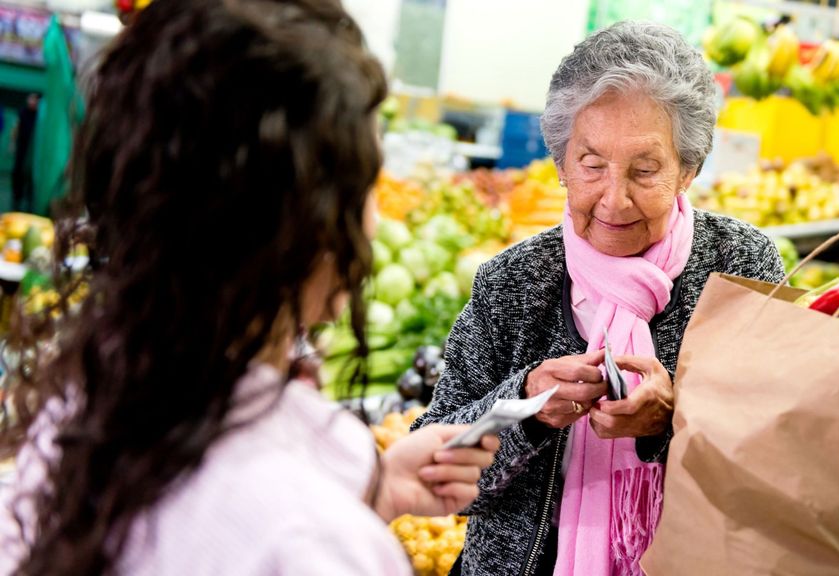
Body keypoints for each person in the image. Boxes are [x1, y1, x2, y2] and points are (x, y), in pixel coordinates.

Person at [0, 1, 497, 575]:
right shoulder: (313, 543)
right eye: (365, 187)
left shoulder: (84, 407)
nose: (376, 222)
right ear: (295, 222)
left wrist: (379, 491)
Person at [413, 21, 785, 576]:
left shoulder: (740, 267)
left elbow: (779, 456)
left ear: (689, 169)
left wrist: (673, 421)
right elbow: (436, 467)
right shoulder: (513, 282)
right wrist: (525, 406)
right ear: (561, 165)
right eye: (591, 166)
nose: (614, 199)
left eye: (645, 169)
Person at [11, 93, 38, 213]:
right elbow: (16, 127)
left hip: (34, 149)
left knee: (31, 173)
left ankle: (29, 198)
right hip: (22, 147)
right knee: (18, 171)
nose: (32, 101)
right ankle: (17, 198)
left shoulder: (40, 115)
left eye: (35, 99)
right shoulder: (23, 112)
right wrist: (12, 143)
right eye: (31, 99)